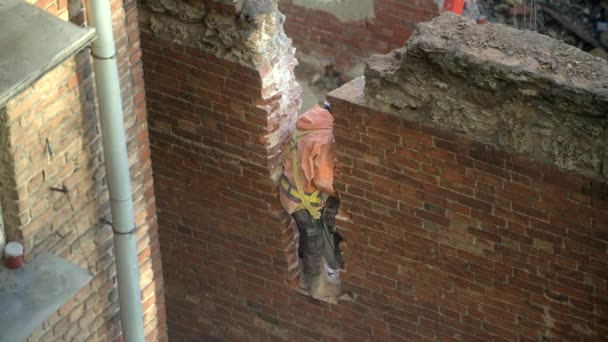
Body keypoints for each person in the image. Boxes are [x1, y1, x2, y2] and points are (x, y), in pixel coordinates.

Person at [279, 104, 344, 300]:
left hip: (288, 188)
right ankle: (317, 287)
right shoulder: (324, 138)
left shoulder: (310, 121)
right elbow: (323, 181)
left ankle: (303, 262)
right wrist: (340, 192)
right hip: (303, 200)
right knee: (314, 239)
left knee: (306, 235)